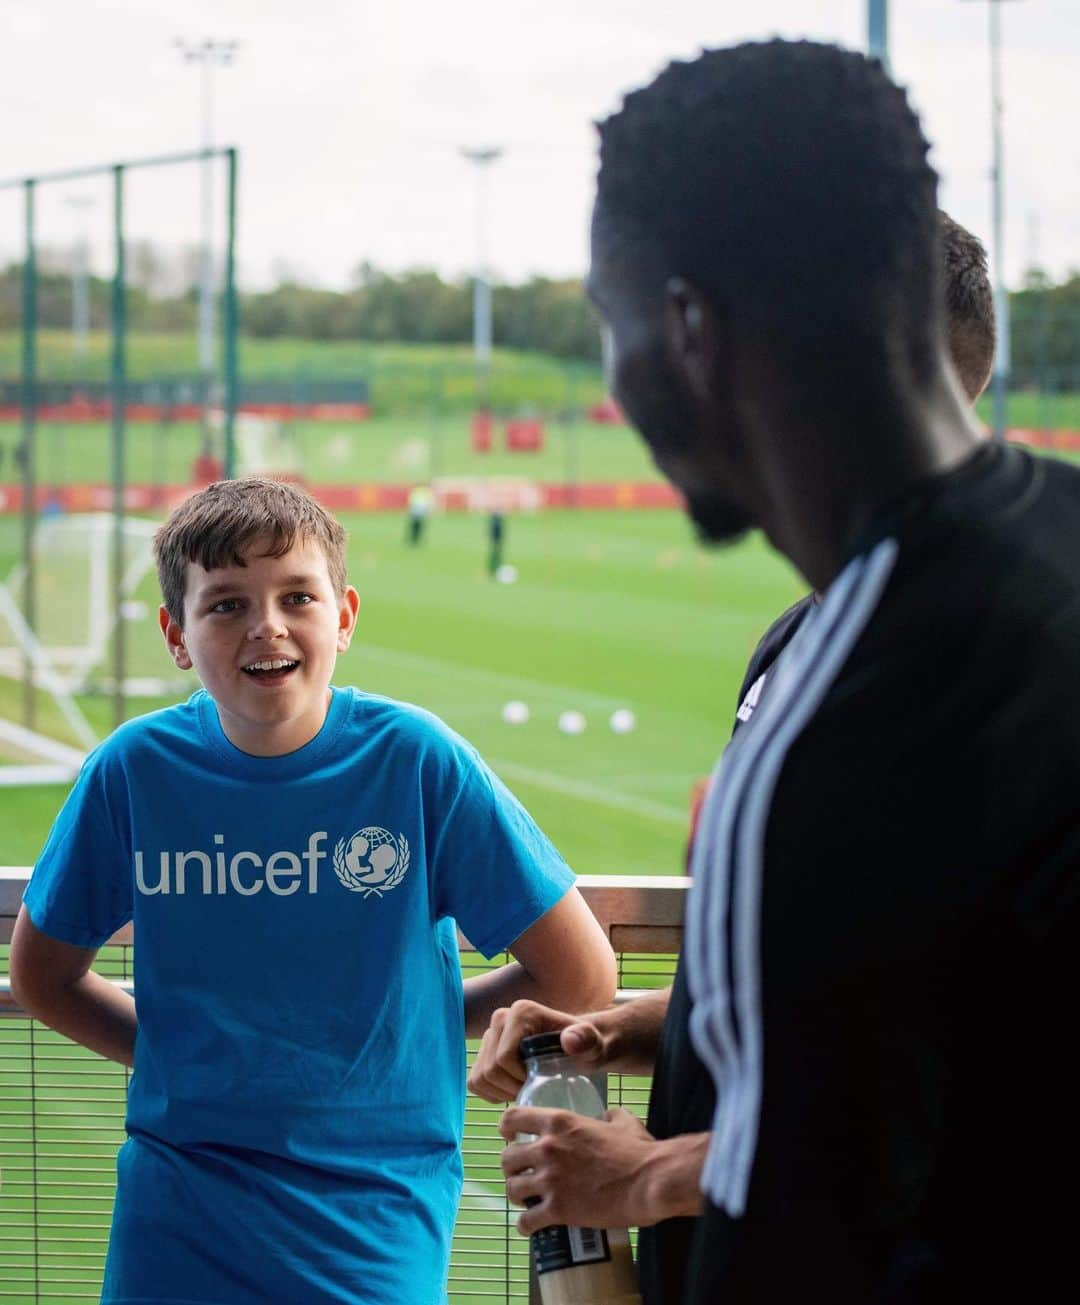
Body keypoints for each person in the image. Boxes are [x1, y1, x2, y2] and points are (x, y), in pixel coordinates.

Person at [474, 40, 1080, 1303]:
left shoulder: (844, 722)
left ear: (689, 328)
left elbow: (846, 1189)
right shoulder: (1029, 563)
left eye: (613, 322)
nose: (619, 380)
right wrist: (654, 1027)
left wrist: (645, 1180)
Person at [9, 477, 616, 1304]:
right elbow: (42, 976)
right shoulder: (133, 770)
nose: (267, 624)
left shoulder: (415, 760)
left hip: (373, 1217)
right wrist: (179, 1052)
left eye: (298, 595)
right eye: (225, 604)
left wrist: (408, 1032)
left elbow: (580, 973)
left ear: (345, 615)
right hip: (176, 1214)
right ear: (175, 634)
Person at [405, 481, 434, 546]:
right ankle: (415, 539)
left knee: (415, 526)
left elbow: (411, 501)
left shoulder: (417, 491)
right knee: (418, 526)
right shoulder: (425, 492)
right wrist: (429, 510)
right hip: (420, 510)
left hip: (416, 510)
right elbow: (428, 502)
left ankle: (414, 539)